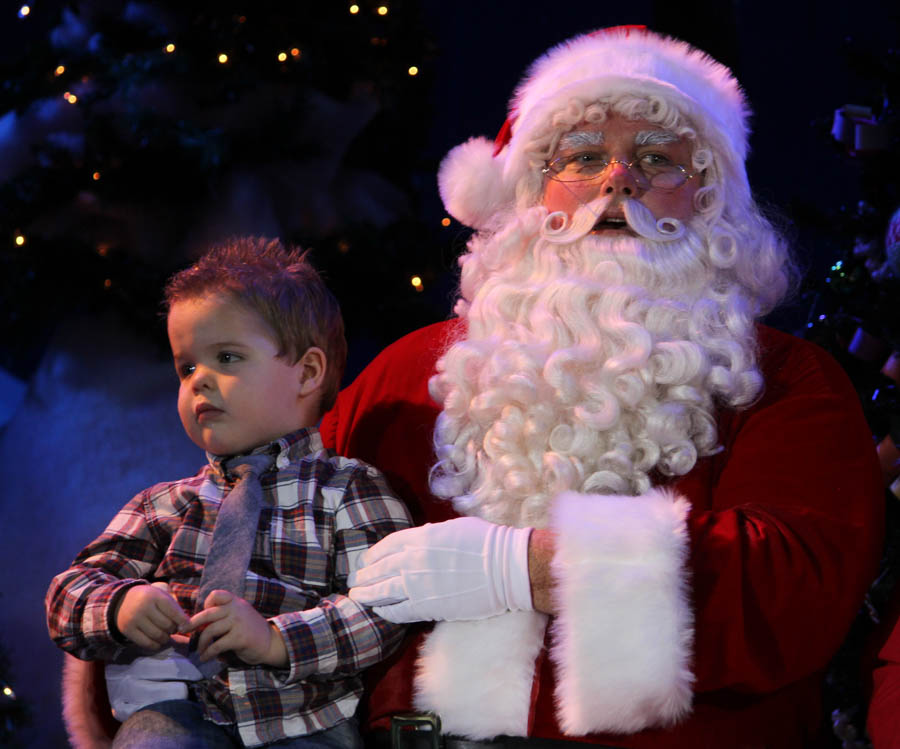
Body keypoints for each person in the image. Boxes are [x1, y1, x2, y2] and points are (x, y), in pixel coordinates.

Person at [320, 26, 885, 748]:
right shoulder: (408, 376)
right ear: (529, 193)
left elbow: (793, 587)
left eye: (658, 160)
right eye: (584, 157)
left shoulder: (788, 383)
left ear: (709, 202)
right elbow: (294, 533)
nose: (620, 181)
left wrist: (529, 567)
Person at [46, 237, 412, 748]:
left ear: (307, 373)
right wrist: (121, 604)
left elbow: (388, 607)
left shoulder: (348, 489)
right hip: (181, 718)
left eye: (227, 357)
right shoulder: (165, 504)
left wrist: (275, 639)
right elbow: (68, 593)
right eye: (187, 366)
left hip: (303, 724)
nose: (199, 382)